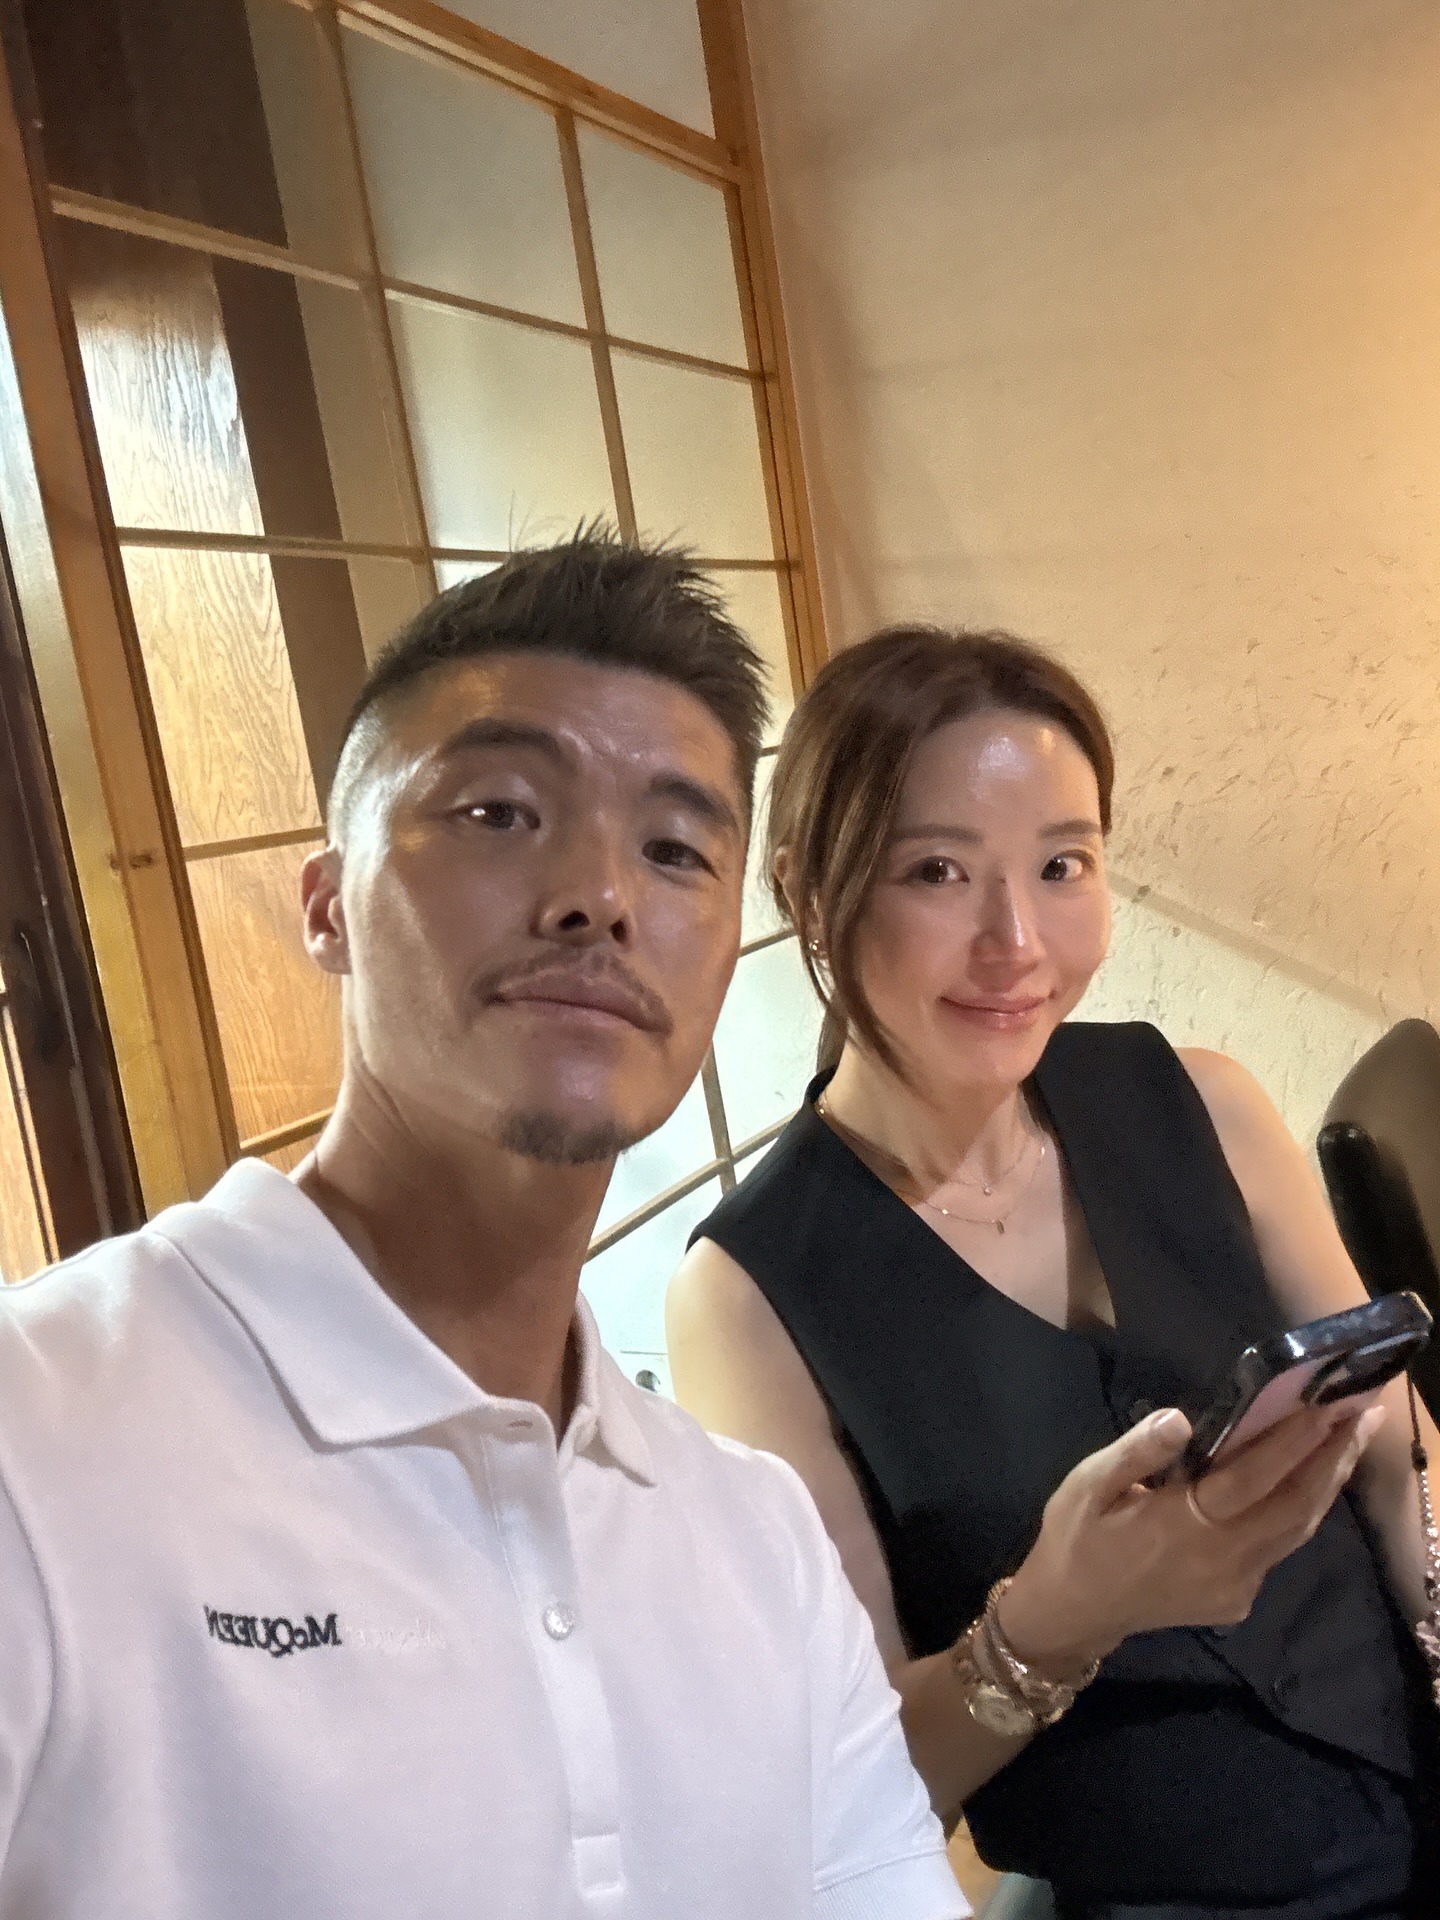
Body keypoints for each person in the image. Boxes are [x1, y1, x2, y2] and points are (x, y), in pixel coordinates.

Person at [0, 537, 972, 1919]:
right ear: (327, 906)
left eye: (675, 849)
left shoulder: (753, 1537)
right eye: (500, 812)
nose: (601, 898)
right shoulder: (42, 1432)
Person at [668, 626, 1440, 1920]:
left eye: (1062, 865)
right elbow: (865, 1792)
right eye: (936, 871)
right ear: (806, 890)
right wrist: (1045, 1626)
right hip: (1167, 1887)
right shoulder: (750, 1297)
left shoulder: (1204, 1103)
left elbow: (1390, 1444)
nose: (1016, 940)